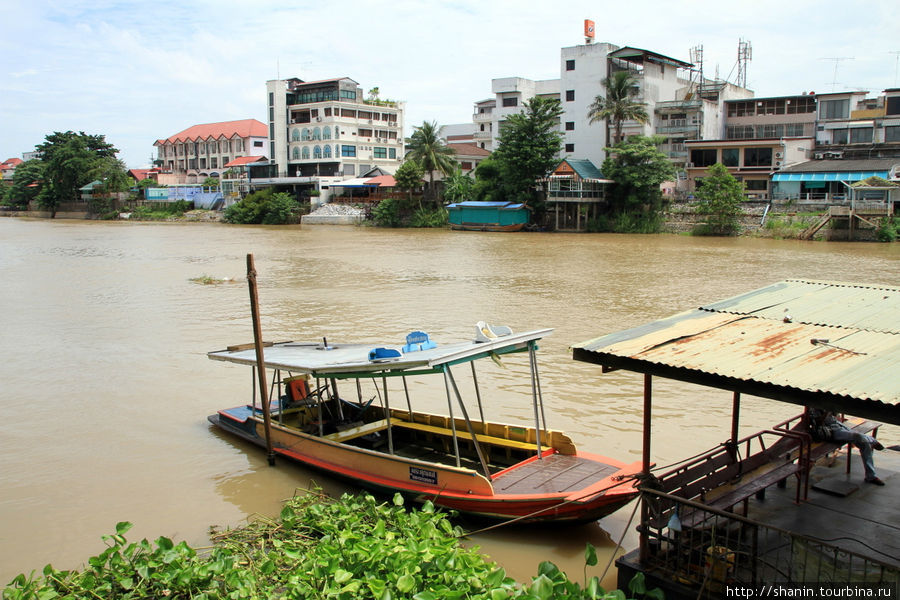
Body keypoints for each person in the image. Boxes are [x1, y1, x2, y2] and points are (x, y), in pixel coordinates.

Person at [807, 407, 885, 485]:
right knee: (858, 436)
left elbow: (836, 416)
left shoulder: (828, 401)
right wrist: (826, 412)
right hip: (830, 432)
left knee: (865, 444)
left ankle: (871, 476)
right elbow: (818, 422)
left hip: (839, 426)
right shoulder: (813, 407)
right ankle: (872, 440)